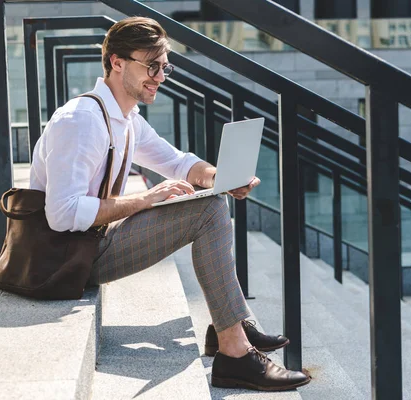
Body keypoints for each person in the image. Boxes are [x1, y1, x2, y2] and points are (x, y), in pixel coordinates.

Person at [29, 16, 310, 391]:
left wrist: (220, 177)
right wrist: (143, 200)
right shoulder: (80, 122)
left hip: (91, 241)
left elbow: (177, 161)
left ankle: (232, 328)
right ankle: (234, 352)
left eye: (165, 67)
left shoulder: (125, 119)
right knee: (207, 211)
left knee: (210, 201)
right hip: (64, 257)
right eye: (152, 66)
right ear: (117, 62)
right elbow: (62, 215)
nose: (160, 77)